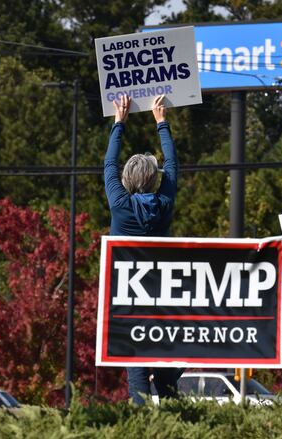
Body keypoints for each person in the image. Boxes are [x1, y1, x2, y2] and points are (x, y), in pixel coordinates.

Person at [104, 94, 183, 405]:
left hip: (128, 299)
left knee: (136, 375)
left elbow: (109, 162)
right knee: (166, 373)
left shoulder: (119, 205)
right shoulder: (164, 204)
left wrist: (119, 123)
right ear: (155, 181)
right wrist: (161, 121)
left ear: (124, 181)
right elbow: (173, 165)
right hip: (163, 297)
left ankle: (139, 425)